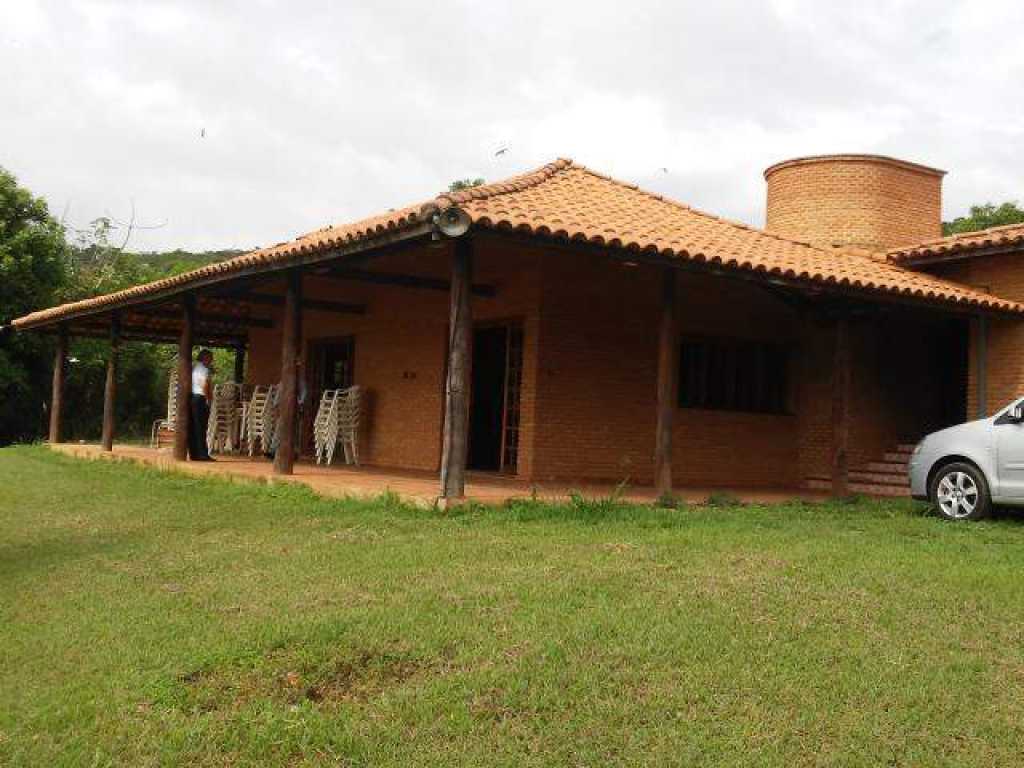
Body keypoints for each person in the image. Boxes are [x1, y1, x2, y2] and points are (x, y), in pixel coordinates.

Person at [189, 349, 215, 461]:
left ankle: (194, 453)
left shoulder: (195, 368)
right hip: (200, 398)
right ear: (205, 358)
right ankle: (202, 454)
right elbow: (204, 384)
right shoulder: (203, 369)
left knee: (195, 427)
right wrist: (208, 398)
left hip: (193, 398)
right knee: (201, 427)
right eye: (210, 358)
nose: (211, 361)